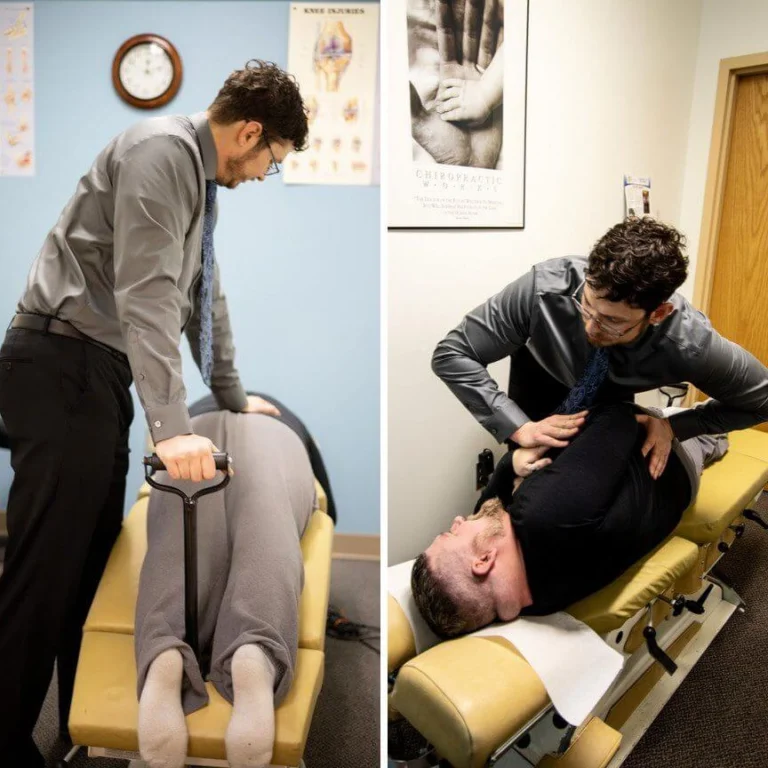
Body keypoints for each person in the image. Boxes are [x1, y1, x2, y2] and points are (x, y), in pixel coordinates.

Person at [0, 59, 308, 766]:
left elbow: (203, 301)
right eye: (273, 161)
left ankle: (78, 728)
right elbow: (145, 294)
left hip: (96, 375)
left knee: (88, 570)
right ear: (250, 133)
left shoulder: (199, 185)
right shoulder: (159, 154)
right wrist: (172, 429)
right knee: (43, 574)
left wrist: (233, 399)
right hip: (59, 365)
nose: (265, 174)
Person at [432, 217, 768, 481]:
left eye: (611, 321)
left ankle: (698, 436)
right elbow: (453, 353)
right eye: (587, 306)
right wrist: (519, 428)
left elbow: (762, 401)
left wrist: (677, 427)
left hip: (609, 415)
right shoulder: (542, 289)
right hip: (535, 394)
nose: (591, 328)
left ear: (658, 314)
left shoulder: (690, 343)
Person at [411, 402, 729, 638]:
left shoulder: (526, 599)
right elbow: (618, 415)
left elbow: (486, 506)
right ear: (483, 561)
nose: (457, 520)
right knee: (716, 414)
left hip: (657, 486)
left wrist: (511, 462)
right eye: (451, 533)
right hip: (672, 451)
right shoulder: (545, 516)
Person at [136, 407, 317, 768]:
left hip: (190, 434)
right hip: (276, 436)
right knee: (269, 515)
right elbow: (326, 508)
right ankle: (256, 648)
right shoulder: (287, 421)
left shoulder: (185, 412)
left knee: (180, 528)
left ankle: (163, 647)